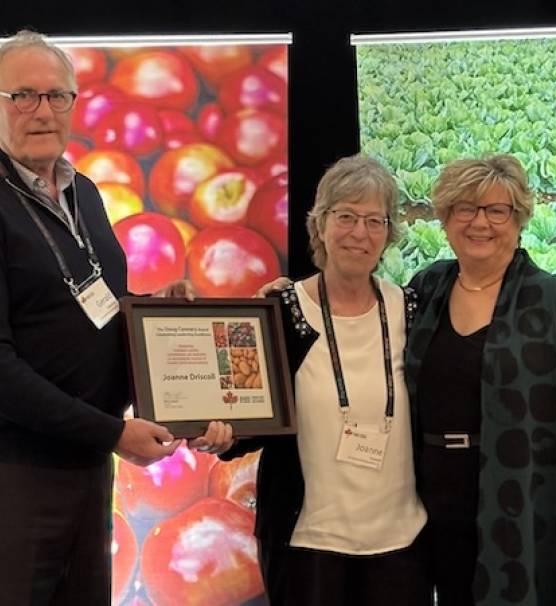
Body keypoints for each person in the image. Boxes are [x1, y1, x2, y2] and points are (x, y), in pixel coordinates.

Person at [0, 30, 232, 605]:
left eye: (57, 96)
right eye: (22, 95)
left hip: (87, 468)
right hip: (18, 473)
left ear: (75, 104)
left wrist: (168, 329)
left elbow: (98, 313)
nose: (42, 111)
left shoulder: (87, 194)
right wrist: (114, 432)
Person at [407, 155, 556, 606]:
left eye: (497, 210)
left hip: (533, 512)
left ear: (519, 219)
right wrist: (289, 298)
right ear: (445, 217)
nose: (480, 223)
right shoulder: (426, 288)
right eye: (465, 209)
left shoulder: (552, 298)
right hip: (437, 510)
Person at [223, 155, 428, 606]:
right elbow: (245, 420)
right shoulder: (281, 311)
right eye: (347, 217)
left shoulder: (412, 311)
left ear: (389, 232)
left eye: (375, 220)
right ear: (320, 225)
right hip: (307, 545)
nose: (360, 233)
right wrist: (220, 433)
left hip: (401, 544)